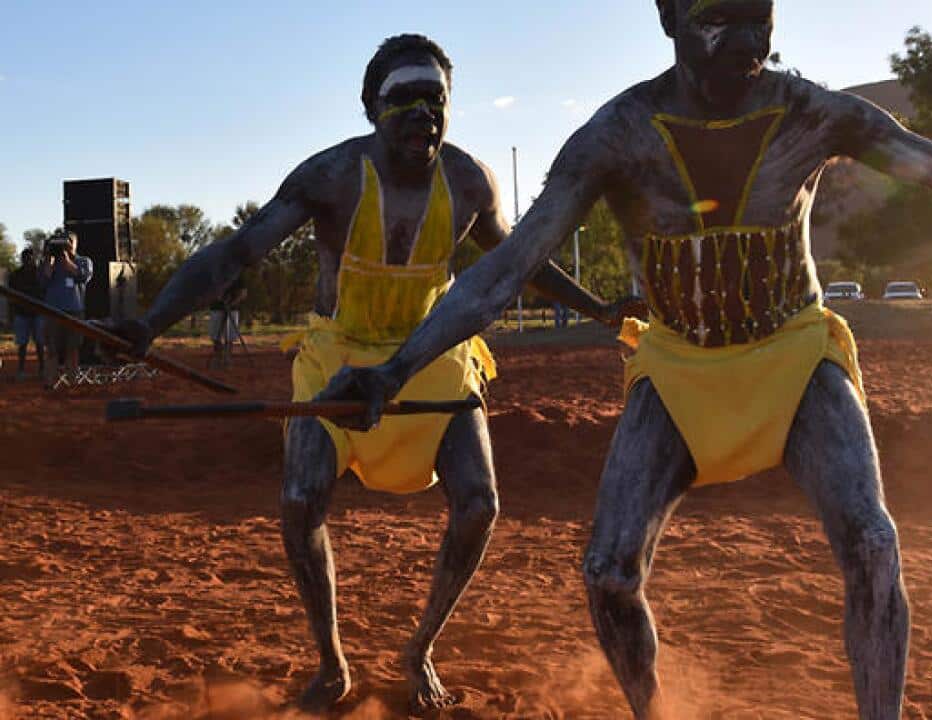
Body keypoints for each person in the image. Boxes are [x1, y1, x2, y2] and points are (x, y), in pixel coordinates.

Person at [318, 2, 932, 718]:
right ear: (670, 21)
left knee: (873, 543)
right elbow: (506, 272)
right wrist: (392, 372)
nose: (743, 44)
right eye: (718, 19)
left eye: (759, 16)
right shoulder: (616, 136)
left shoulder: (813, 114)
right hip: (679, 370)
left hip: (796, 354)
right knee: (608, 572)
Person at [110, 34, 641, 715]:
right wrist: (150, 322)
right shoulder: (329, 177)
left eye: (435, 100)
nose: (422, 113)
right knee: (301, 502)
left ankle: (419, 648)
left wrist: (599, 310)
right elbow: (237, 252)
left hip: (431, 357)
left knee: (479, 505)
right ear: (371, 108)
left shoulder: (471, 182)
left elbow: (520, 262)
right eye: (403, 99)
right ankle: (332, 663)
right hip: (338, 357)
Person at [40, 229, 93, 387]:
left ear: (75, 243)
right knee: (51, 348)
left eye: (69, 241)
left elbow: (84, 277)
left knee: (73, 348)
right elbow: (42, 283)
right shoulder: (49, 262)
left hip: (74, 311)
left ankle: (72, 383)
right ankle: (50, 383)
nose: (66, 244)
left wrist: (68, 261)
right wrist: (48, 264)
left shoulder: (83, 260)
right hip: (52, 311)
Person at [8, 248, 46, 379]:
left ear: (33, 259)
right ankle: (21, 370)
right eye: (25, 258)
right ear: (22, 260)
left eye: (30, 258)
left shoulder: (40, 274)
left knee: (40, 343)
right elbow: (11, 297)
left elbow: (45, 292)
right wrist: (11, 315)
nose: (28, 261)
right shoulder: (15, 275)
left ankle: (42, 369)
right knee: (22, 344)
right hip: (21, 314)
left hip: (38, 313)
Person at [208, 275, 246, 363]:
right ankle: (218, 357)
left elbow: (243, 293)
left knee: (230, 337)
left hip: (232, 309)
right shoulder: (214, 273)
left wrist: (233, 303)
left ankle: (228, 358)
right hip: (216, 308)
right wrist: (216, 297)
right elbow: (208, 290)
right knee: (215, 336)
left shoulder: (237, 275)